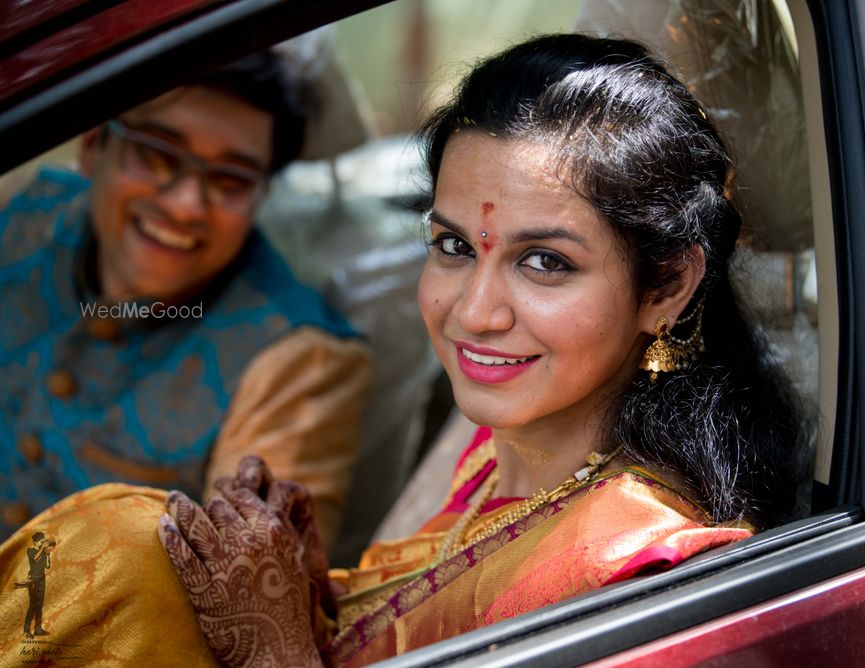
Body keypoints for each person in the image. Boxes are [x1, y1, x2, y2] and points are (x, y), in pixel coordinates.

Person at [0, 34, 802, 665]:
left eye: (544, 262)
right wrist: (318, 596)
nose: (473, 312)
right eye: (454, 247)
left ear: (664, 288)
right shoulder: (502, 452)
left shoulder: (638, 577)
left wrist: (277, 653)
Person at [0, 50, 371, 546]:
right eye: (157, 154)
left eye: (230, 179)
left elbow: (255, 590)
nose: (185, 205)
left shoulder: (300, 357)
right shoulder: (22, 213)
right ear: (93, 145)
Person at [19, 532, 53, 638]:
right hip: (33, 580)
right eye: (41, 542)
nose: (43, 543)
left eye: (44, 541)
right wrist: (43, 549)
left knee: (39, 606)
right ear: (35, 542)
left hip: (41, 579)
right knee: (33, 605)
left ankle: (38, 629)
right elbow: (34, 559)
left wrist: (47, 554)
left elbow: (47, 566)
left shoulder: (42, 552)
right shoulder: (31, 550)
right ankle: (26, 630)